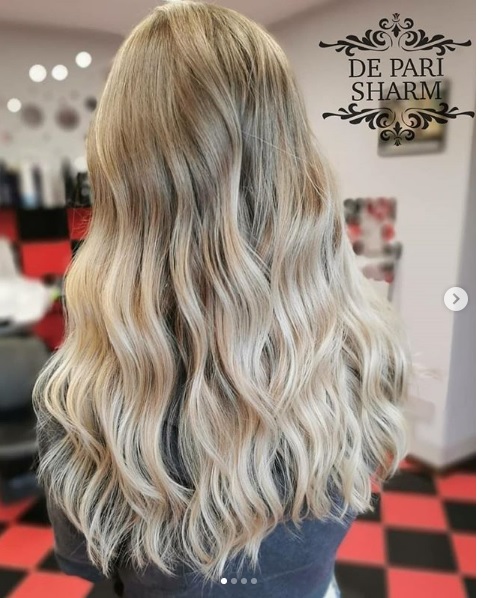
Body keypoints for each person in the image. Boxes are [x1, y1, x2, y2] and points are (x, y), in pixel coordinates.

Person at [32, 2, 410, 596]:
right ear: (294, 160)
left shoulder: (80, 397)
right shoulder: (367, 345)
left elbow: (84, 563)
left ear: (120, 183)